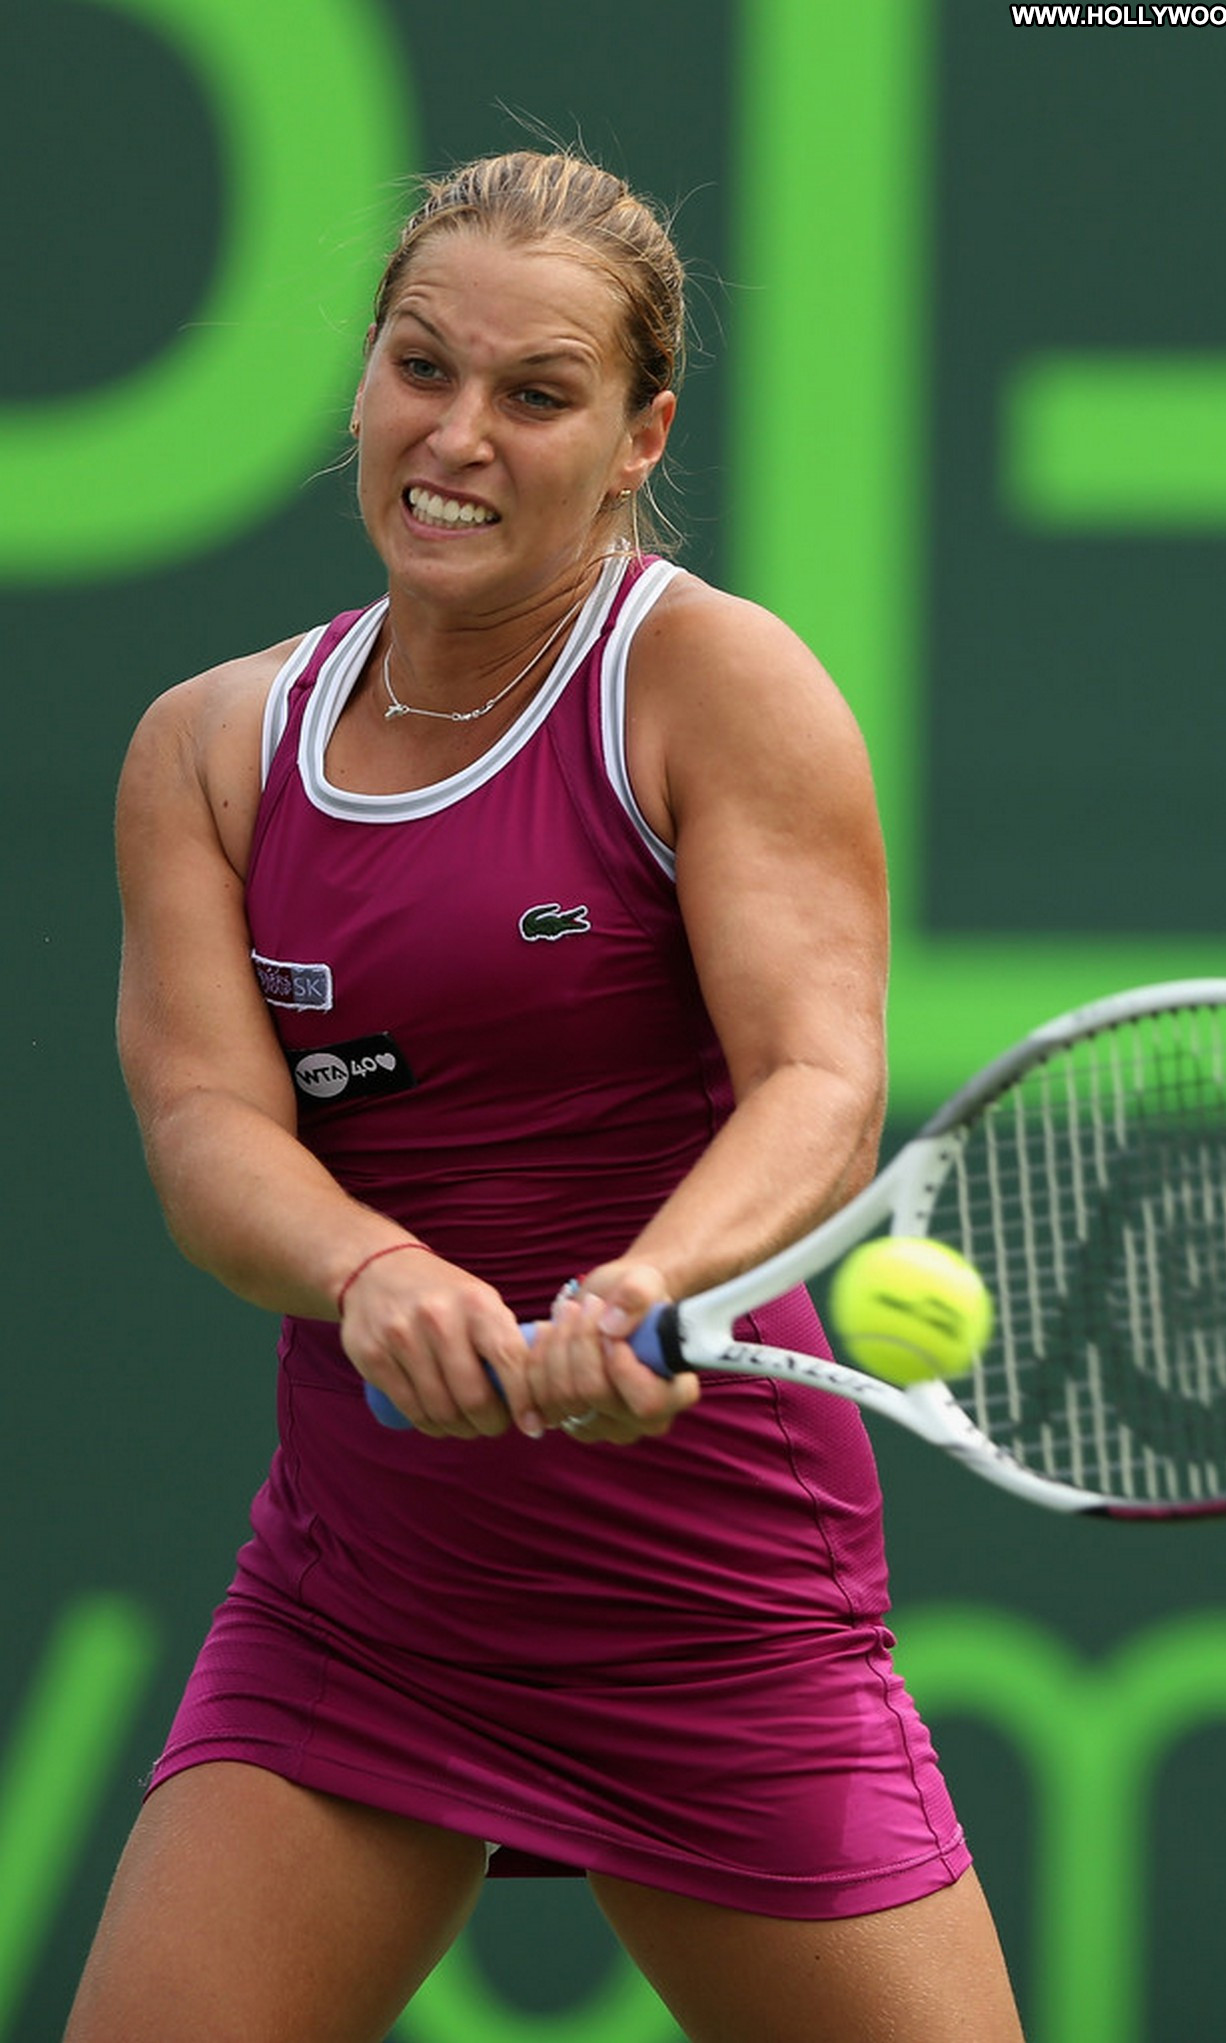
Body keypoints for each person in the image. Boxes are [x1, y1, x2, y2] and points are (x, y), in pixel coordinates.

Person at [64, 148, 1025, 2043]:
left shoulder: (710, 679)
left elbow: (820, 1082)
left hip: (705, 1612)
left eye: (537, 394)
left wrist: (647, 1286)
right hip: (364, 1607)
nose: (458, 437)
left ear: (638, 436)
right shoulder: (208, 748)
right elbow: (207, 1129)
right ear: (362, 377)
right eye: (423, 367)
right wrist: (365, 1270)